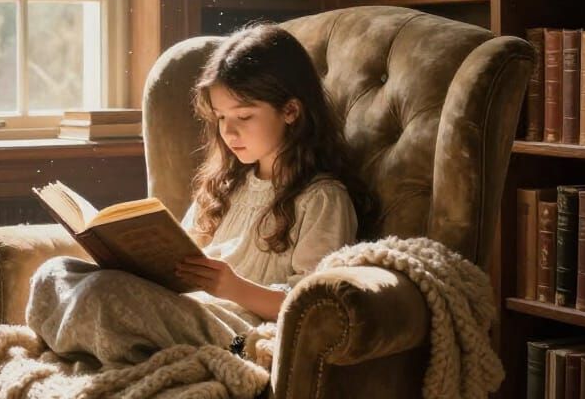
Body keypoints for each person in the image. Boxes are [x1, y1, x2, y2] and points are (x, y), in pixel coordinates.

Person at [25, 22, 377, 369]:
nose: (228, 131)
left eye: (244, 116)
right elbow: (181, 254)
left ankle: (108, 347)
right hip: (184, 308)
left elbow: (315, 307)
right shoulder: (226, 184)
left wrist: (234, 287)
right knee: (53, 273)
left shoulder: (322, 199)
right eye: (220, 117)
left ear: (291, 111)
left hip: (239, 332)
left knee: (104, 296)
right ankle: (118, 345)